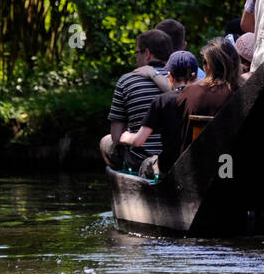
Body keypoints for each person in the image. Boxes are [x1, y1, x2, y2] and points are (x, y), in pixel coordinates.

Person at [118, 51, 198, 179]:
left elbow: (138, 141)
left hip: (168, 167)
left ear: (170, 76)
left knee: (146, 164)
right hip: (196, 165)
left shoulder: (162, 101)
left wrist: (125, 136)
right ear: (196, 76)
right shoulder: (202, 100)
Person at [100, 29, 173, 169]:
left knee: (106, 141)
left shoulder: (126, 80)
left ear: (147, 54)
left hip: (140, 159)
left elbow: (116, 137)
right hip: (173, 158)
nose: (136, 57)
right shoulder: (178, 81)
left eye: (137, 52)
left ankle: (126, 173)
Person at [177, 39, 241, 147]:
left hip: (191, 160)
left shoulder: (189, 93)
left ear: (209, 66)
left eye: (204, 62)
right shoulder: (244, 94)